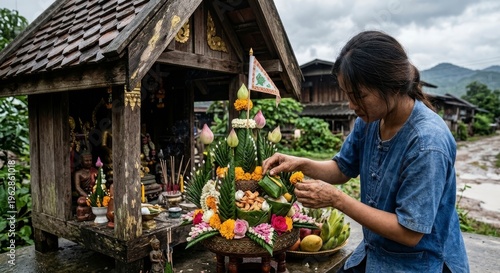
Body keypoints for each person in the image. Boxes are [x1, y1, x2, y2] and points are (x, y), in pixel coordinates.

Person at [263, 31, 469, 272]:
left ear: (391, 87)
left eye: (359, 96)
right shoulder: (371, 119)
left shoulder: (427, 143)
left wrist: (336, 199)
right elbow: (342, 168)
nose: (352, 105)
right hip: (376, 253)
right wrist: (300, 163)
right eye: (348, 96)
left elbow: (409, 232)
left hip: (419, 263)